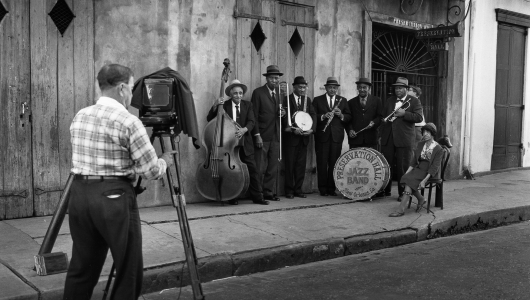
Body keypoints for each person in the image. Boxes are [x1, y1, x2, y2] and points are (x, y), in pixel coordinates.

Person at [64, 64, 176, 299]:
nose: (132, 94)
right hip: (112, 197)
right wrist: (165, 160)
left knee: (81, 268)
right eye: (132, 87)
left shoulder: (80, 115)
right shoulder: (128, 121)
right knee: (128, 269)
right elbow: (150, 171)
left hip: (79, 194)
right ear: (122, 88)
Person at [206, 79, 269, 205]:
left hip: (245, 143)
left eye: (240, 93)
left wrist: (244, 130)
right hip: (228, 145)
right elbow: (209, 119)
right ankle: (232, 197)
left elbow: (252, 121)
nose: (238, 96)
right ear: (230, 94)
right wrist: (215, 105)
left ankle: (258, 197)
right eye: (235, 93)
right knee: (230, 172)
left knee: (253, 170)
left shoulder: (248, 105)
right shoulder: (224, 105)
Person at [380, 77, 423, 199]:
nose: (397, 90)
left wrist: (405, 114)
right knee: (387, 165)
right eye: (396, 88)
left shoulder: (414, 101)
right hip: (388, 138)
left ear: (406, 89)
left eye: (400, 88)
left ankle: (403, 193)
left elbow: (419, 117)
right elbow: (384, 118)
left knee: (403, 167)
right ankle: (385, 190)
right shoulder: (389, 100)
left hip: (404, 138)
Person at [389, 123, 444, 217]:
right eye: (424, 132)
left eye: (428, 132)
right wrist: (406, 173)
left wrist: (424, 180)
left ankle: (401, 209)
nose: (425, 134)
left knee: (409, 181)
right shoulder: (421, 144)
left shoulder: (438, 148)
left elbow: (434, 167)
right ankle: (420, 199)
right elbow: (414, 161)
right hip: (419, 168)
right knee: (406, 178)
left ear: (432, 133)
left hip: (428, 171)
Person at [251, 65, 286, 201]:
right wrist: (257, 135)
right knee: (259, 167)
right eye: (272, 78)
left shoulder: (280, 93)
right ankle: (258, 194)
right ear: (267, 78)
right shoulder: (258, 92)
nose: (275, 80)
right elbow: (253, 115)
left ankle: (268, 192)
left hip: (276, 135)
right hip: (263, 135)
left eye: (276, 78)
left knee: (272, 166)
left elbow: (279, 112)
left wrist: (282, 114)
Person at [312, 77, 352, 196]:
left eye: (335, 88)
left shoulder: (343, 100)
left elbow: (349, 117)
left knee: (334, 162)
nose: (332, 89)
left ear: (337, 89)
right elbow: (313, 116)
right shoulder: (317, 100)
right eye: (330, 87)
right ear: (326, 88)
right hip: (322, 136)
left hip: (336, 137)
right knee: (322, 163)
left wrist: (341, 115)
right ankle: (322, 189)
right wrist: (323, 116)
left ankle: (331, 188)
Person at [282, 76, 316, 199]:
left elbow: (312, 115)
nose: (302, 89)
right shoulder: (286, 99)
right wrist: (292, 130)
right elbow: (284, 118)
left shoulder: (308, 100)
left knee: (300, 166)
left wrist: (312, 130)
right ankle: (289, 191)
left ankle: (298, 189)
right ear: (294, 87)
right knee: (290, 166)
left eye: (304, 87)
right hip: (291, 138)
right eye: (300, 87)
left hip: (304, 139)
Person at [347, 77, 383, 149]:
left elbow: (380, 117)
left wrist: (374, 122)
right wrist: (350, 130)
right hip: (355, 139)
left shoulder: (377, 100)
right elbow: (348, 119)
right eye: (360, 87)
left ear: (369, 88)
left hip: (371, 139)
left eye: (364, 87)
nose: (362, 89)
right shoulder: (350, 102)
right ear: (357, 88)